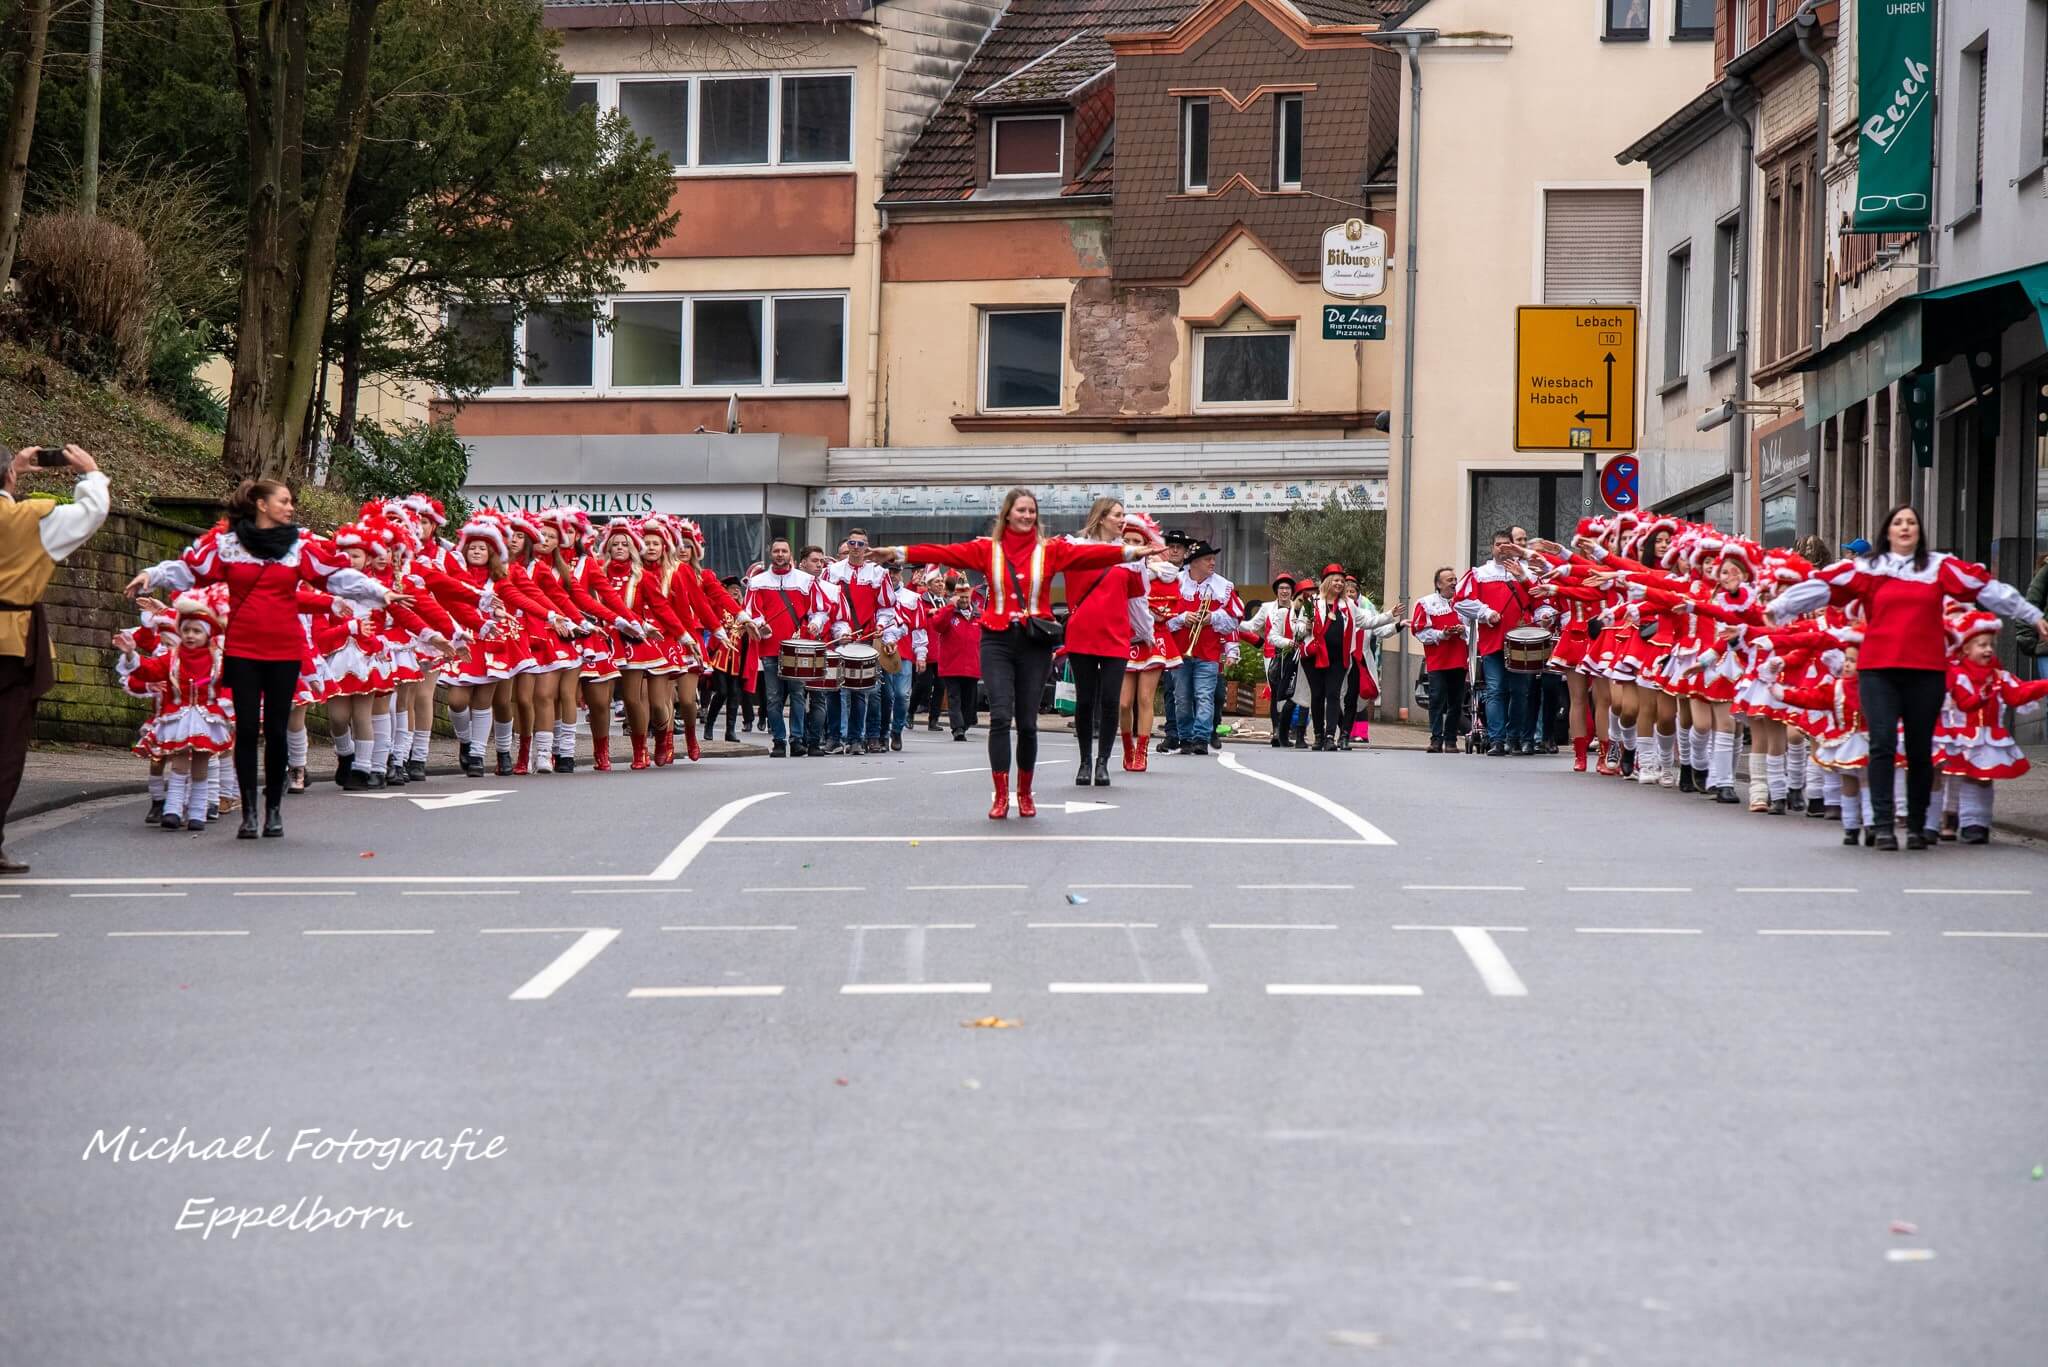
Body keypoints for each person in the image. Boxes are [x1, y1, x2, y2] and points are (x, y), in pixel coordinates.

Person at [872, 487, 1162, 818]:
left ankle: (1024, 793)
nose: (1026, 516)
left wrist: (1132, 553)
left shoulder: (1051, 550)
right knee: (1000, 717)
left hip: (1034, 643)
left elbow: (1093, 555)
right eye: (1021, 510)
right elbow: (946, 552)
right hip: (996, 639)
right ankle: (1000, 794)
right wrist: (897, 552)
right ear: (1007, 513)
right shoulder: (987, 549)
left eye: (1032, 512)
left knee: (1026, 722)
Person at [129, 478, 395, 838]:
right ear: (261, 504)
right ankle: (249, 812)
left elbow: (335, 576)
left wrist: (380, 591)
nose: (290, 507)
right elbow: (190, 569)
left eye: (291, 502)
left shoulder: (298, 546)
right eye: (283, 501)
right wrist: (152, 574)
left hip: (285, 649)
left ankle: (273, 811)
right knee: (247, 728)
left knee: (276, 731)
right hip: (241, 648)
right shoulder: (228, 545)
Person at [1769, 503, 2045, 849]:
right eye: (1898, 522)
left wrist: (2032, 615)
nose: (1904, 527)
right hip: (1878, 671)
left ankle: (1916, 826)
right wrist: (1778, 608)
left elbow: (1986, 588)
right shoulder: (1870, 568)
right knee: (1882, 743)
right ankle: (1882, 825)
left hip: (1925, 671)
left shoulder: (1938, 567)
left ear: (1918, 531)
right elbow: (1824, 585)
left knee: (1919, 749)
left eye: (1911, 522)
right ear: (1887, 531)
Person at [2, 444, 108, 874]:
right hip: (9, 640)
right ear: (10, 475)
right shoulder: (28, 520)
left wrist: (12, 475)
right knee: (6, 742)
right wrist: (91, 473)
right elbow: (91, 512)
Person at [1935, 612, 2048, 844]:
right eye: (1981, 645)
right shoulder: (1955, 675)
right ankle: (1950, 817)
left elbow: (2018, 693)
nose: (1988, 650)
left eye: (1990, 645)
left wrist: (2044, 684)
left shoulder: (1999, 676)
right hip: (1959, 736)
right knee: (1956, 779)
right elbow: (1958, 700)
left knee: (1983, 779)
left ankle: (1977, 823)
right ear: (1965, 649)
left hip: (1988, 736)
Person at [1061, 497, 1145, 786]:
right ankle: (1084, 761)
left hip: (1116, 637)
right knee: (1085, 701)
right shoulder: (1075, 548)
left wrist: (1146, 634)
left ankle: (1102, 763)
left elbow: (1138, 602)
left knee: (1111, 700)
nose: (1123, 520)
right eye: (1117, 515)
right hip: (1082, 634)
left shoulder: (1130, 556)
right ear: (1101, 517)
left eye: (1124, 515)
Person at [1455, 530, 1535, 757]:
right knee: (1495, 690)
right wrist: (1486, 613)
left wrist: (1524, 580)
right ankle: (1497, 739)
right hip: (1493, 642)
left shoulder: (1527, 572)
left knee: (1520, 692)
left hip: (1522, 643)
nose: (1502, 548)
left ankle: (1514, 738)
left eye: (1506, 544)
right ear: (1492, 548)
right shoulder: (1480, 574)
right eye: (1498, 544)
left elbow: (1541, 601)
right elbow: (1460, 601)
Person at [737, 538, 817, 757]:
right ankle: (779, 740)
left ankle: (798, 739)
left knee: (798, 695)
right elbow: (751, 610)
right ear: (770, 554)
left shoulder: (806, 581)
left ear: (790, 554)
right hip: (770, 647)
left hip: (798, 647)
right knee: (773, 697)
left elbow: (817, 609)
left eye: (784, 551)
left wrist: (813, 625)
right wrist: (761, 624)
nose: (780, 554)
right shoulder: (758, 581)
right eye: (776, 551)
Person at [1166, 540, 1240, 758]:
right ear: (1194, 562)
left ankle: (1201, 738)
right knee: (1182, 697)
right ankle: (1185, 737)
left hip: (1208, 653)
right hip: (1179, 652)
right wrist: (1181, 619)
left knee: (1204, 696)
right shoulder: (1175, 583)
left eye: (1213, 559)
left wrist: (1212, 618)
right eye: (1208, 559)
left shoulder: (1223, 586)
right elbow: (1160, 616)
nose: (1212, 562)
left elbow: (1235, 617)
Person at [1291, 565, 1356, 751]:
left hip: (1338, 659)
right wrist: (1306, 628)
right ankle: (1318, 736)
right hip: (1314, 658)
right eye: (1336, 580)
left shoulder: (1347, 605)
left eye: (1342, 581)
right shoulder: (1312, 602)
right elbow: (1298, 629)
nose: (1340, 583)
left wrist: (1391, 618)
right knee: (1318, 695)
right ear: (1327, 582)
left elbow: (1367, 620)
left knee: (1333, 695)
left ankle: (1329, 737)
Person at [1411, 567, 1473, 753]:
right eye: (1449, 580)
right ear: (1438, 584)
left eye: (1455, 579)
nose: (1454, 582)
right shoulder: (1426, 603)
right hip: (1438, 659)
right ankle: (1436, 739)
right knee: (1436, 699)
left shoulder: (1464, 603)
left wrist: (1464, 631)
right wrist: (1442, 634)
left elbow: (1476, 630)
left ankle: (1451, 740)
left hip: (1459, 658)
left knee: (1456, 701)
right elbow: (1418, 630)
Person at [1240, 573, 1299, 747]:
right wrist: (1233, 620)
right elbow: (1251, 626)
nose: (1284, 591)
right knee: (1276, 692)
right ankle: (1276, 731)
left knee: (1292, 693)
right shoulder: (1267, 608)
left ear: (1292, 591)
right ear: (1276, 591)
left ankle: (1288, 730)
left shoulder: (1298, 607)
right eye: (1281, 588)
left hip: (1294, 655)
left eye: (1287, 588)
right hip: (1272, 655)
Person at [930, 575, 983, 739]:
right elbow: (938, 625)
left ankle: (964, 724)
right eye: (961, 597)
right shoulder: (948, 612)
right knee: (954, 699)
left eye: (966, 597)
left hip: (972, 667)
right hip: (951, 666)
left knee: (969, 701)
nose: (964, 601)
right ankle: (957, 729)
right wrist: (949, 607)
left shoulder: (979, 615)